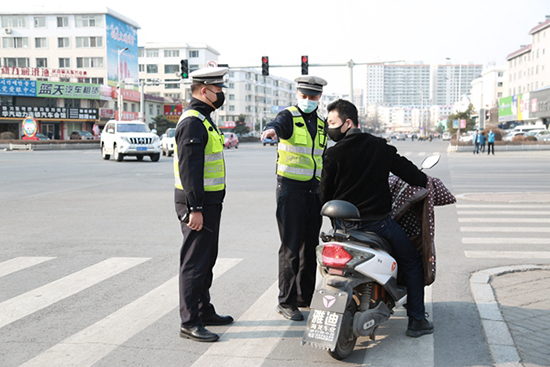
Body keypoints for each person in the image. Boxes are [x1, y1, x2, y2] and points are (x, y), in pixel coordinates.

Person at [320, 99, 433, 338]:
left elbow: (325, 195)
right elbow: (413, 176)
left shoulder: (332, 153)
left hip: (342, 228)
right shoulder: (380, 147)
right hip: (378, 225)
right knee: (412, 261)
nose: (328, 127)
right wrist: (424, 180)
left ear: (347, 123)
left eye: (331, 122)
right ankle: (417, 320)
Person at [261, 76, 328, 321]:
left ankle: (304, 297)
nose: (308, 100)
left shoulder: (321, 124)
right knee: (290, 247)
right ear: (298, 94)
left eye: (313, 96)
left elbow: (323, 157)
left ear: (319, 97)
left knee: (309, 247)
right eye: (304, 96)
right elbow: (276, 124)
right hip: (290, 191)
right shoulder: (289, 117)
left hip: (314, 192)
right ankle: (285, 301)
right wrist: (271, 130)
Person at [174, 67, 233, 343]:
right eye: (218, 90)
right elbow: (190, 169)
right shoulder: (193, 122)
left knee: (207, 260)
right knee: (194, 263)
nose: (221, 94)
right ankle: (190, 321)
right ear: (204, 90)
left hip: (210, 202)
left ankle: (203, 309)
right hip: (198, 205)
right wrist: (194, 208)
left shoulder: (204, 119)